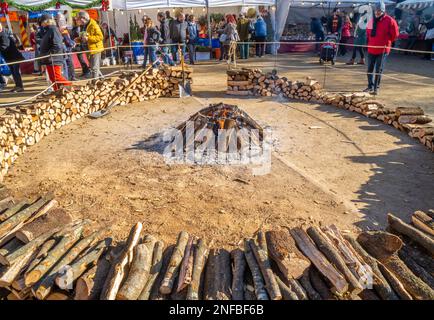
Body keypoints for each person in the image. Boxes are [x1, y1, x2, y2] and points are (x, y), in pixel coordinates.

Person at [364, 2, 399, 95]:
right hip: (371, 48)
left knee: (379, 69)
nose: (377, 12)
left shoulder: (390, 20)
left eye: (379, 11)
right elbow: (367, 32)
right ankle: (370, 86)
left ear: (383, 11)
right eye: (376, 10)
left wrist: (386, 41)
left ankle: (376, 88)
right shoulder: (371, 20)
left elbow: (395, 35)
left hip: (382, 49)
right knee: (369, 69)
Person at [38, 14, 71, 91]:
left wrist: (49, 54)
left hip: (54, 59)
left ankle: (71, 87)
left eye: (42, 22)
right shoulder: (48, 30)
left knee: (57, 77)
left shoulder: (53, 29)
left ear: (46, 22)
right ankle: (57, 92)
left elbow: (57, 45)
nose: (41, 24)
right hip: (49, 59)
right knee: (53, 78)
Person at [76, 10, 104, 79]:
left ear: (83, 18)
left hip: (95, 49)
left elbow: (100, 37)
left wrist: (88, 38)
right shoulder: (83, 26)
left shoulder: (93, 24)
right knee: (93, 67)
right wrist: (78, 39)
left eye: (78, 18)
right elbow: (83, 36)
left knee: (94, 68)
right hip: (88, 49)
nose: (77, 20)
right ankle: (102, 80)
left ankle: (95, 83)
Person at [0, 22, 24, 92]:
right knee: (13, 72)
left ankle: (20, 86)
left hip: (14, 57)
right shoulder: (2, 33)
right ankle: (17, 86)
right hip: (9, 57)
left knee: (16, 72)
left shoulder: (3, 34)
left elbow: (4, 46)